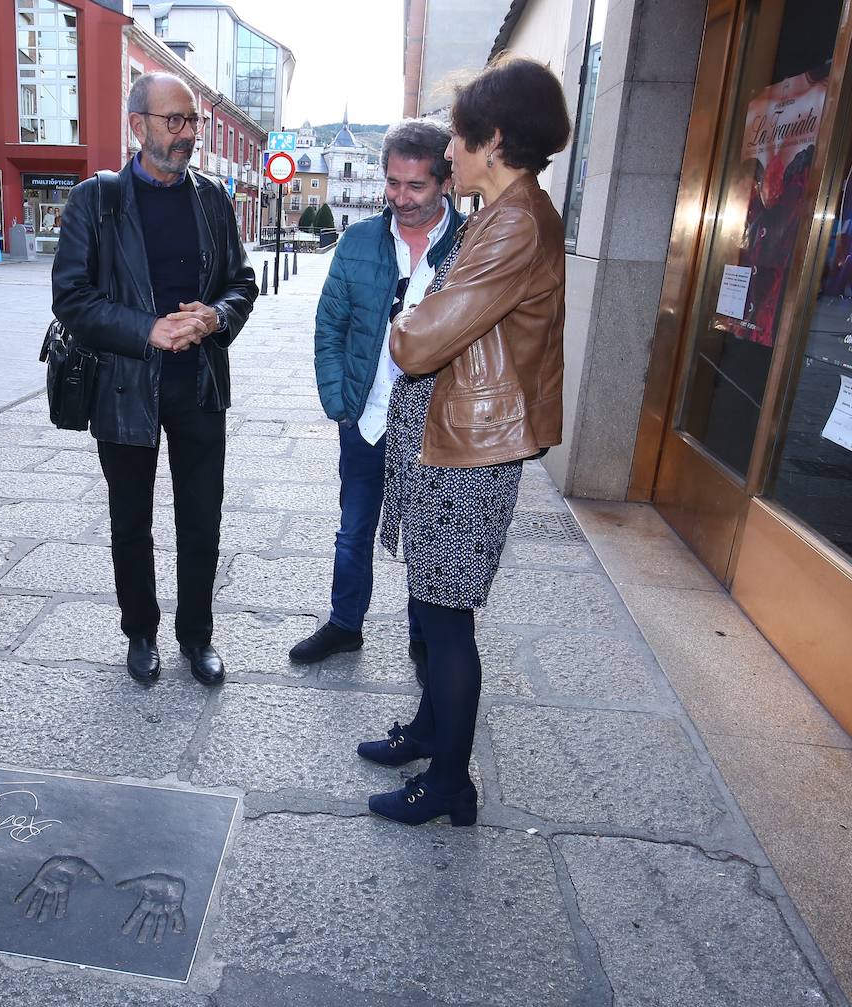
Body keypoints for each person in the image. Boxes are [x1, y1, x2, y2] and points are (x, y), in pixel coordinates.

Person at [359, 55, 570, 827]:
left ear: (496, 138)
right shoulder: (506, 214)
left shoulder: (513, 222)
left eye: (458, 137)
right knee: (432, 604)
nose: (449, 152)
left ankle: (450, 781)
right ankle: (429, 729)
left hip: (467, 454)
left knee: (446, 619)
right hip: (452, 442)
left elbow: (418, 344)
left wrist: (401, 321)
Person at [51, 72, 258, 687]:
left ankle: (197, 636)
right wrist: (148, 328)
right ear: (137, 125)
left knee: (202, 518)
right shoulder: (98, 200)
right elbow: (72, 298)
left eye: (192, 120)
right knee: (130, 521)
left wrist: (215, 314)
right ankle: (139, 632)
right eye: (175, 121)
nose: (189, 133)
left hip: (199, 384)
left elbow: (241, 283)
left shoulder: (212, 198)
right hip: (125, 386)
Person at [290, 118, 462, 668]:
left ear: (445, 183)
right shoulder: (360, 241)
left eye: (416, 186)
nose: (401, 198)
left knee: (427, 539)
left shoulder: (470, 246)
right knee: (353, 528)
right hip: (366, 416)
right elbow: (330, 326)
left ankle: (425, 637)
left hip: (432, 425)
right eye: (392, 183)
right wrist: (339, 402)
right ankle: (345, 624)